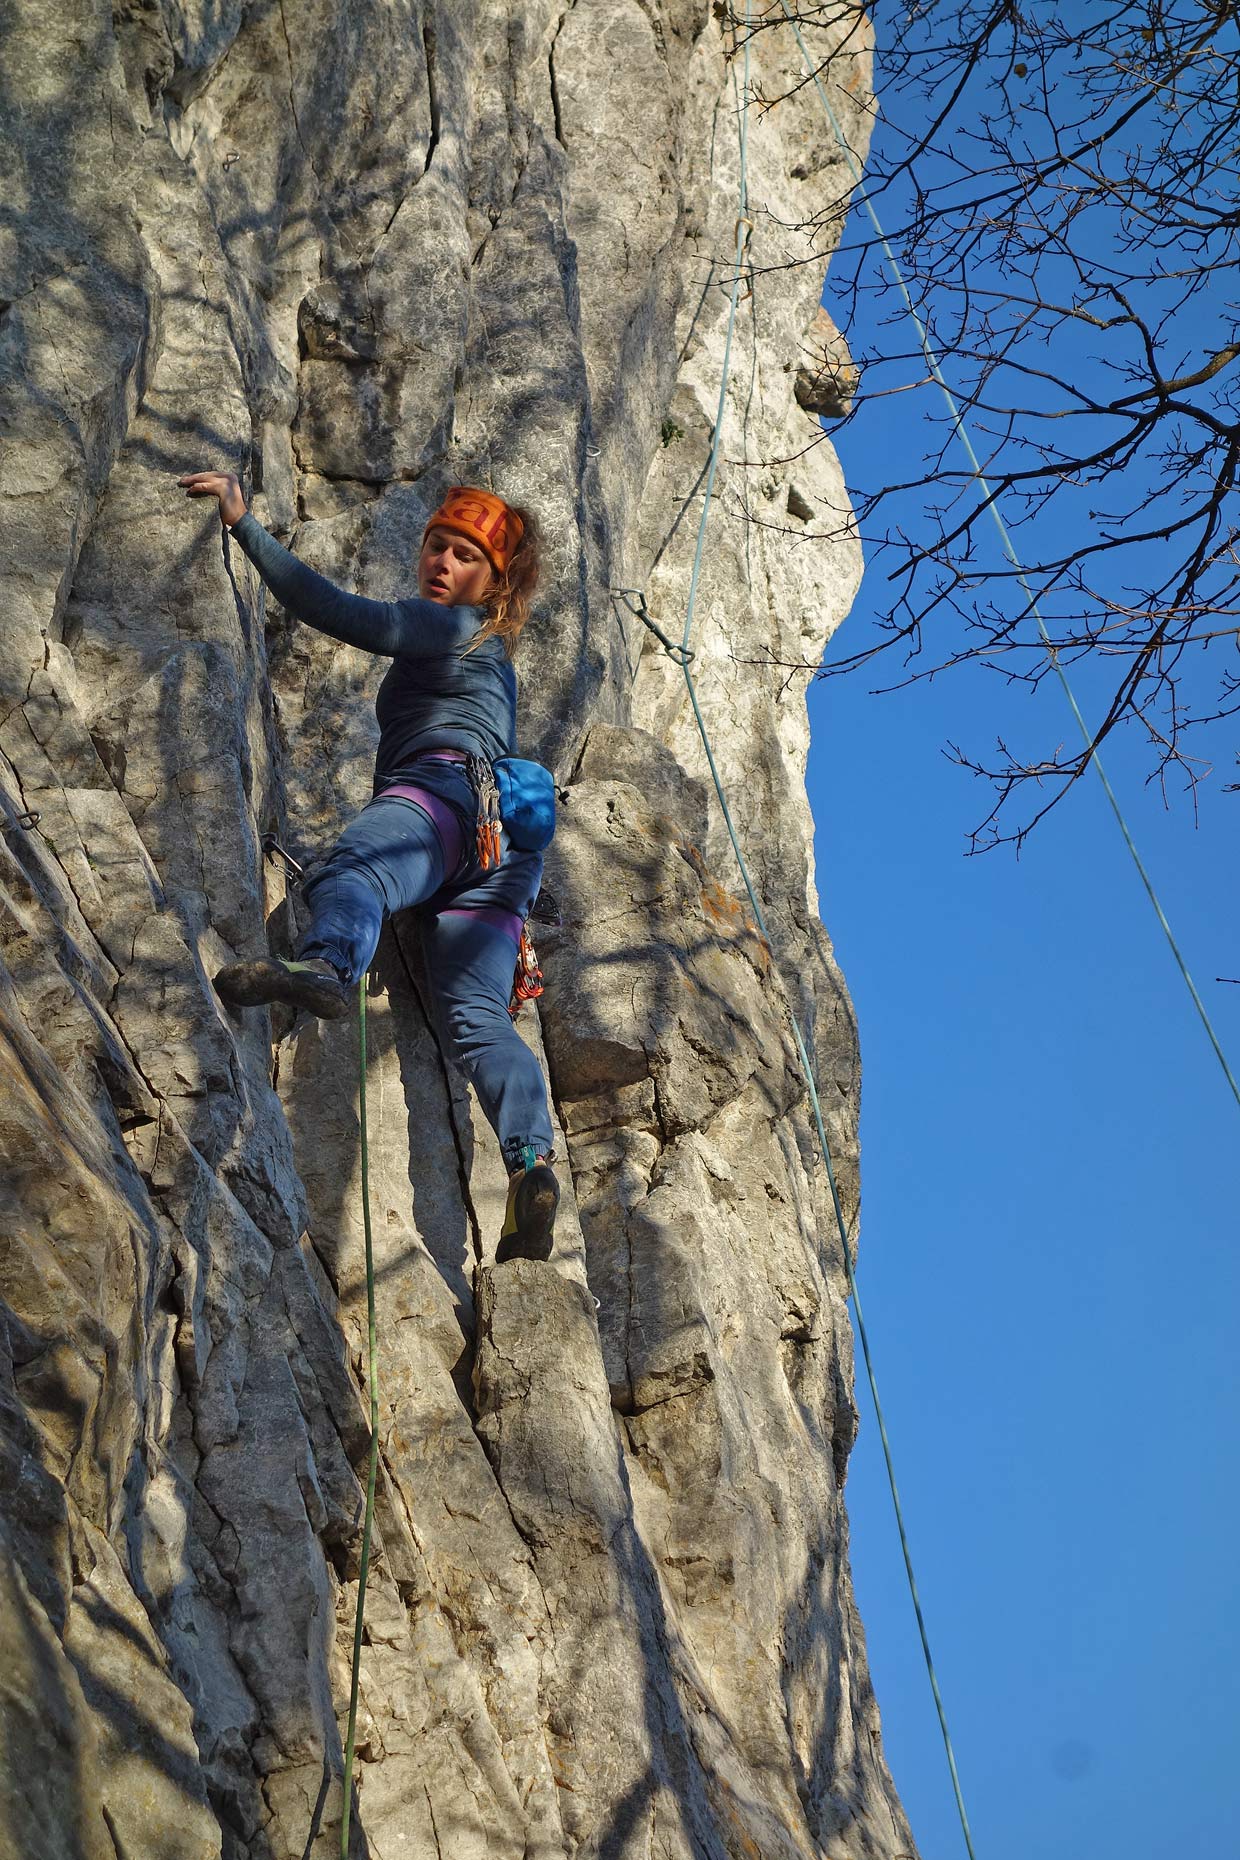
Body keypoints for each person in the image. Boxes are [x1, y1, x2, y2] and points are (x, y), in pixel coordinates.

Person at [177, 470, 559, 1263]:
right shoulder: (498, 662)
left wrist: (246, 526)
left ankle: (326, 964)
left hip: (445, 799)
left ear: (492, 584)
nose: (443, 563)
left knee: (357, 868)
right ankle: (531, 1164)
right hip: (500, 854)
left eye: (465, 555)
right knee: (476, 1019)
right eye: (437, 546)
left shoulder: (452, 627)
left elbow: (342, 613)